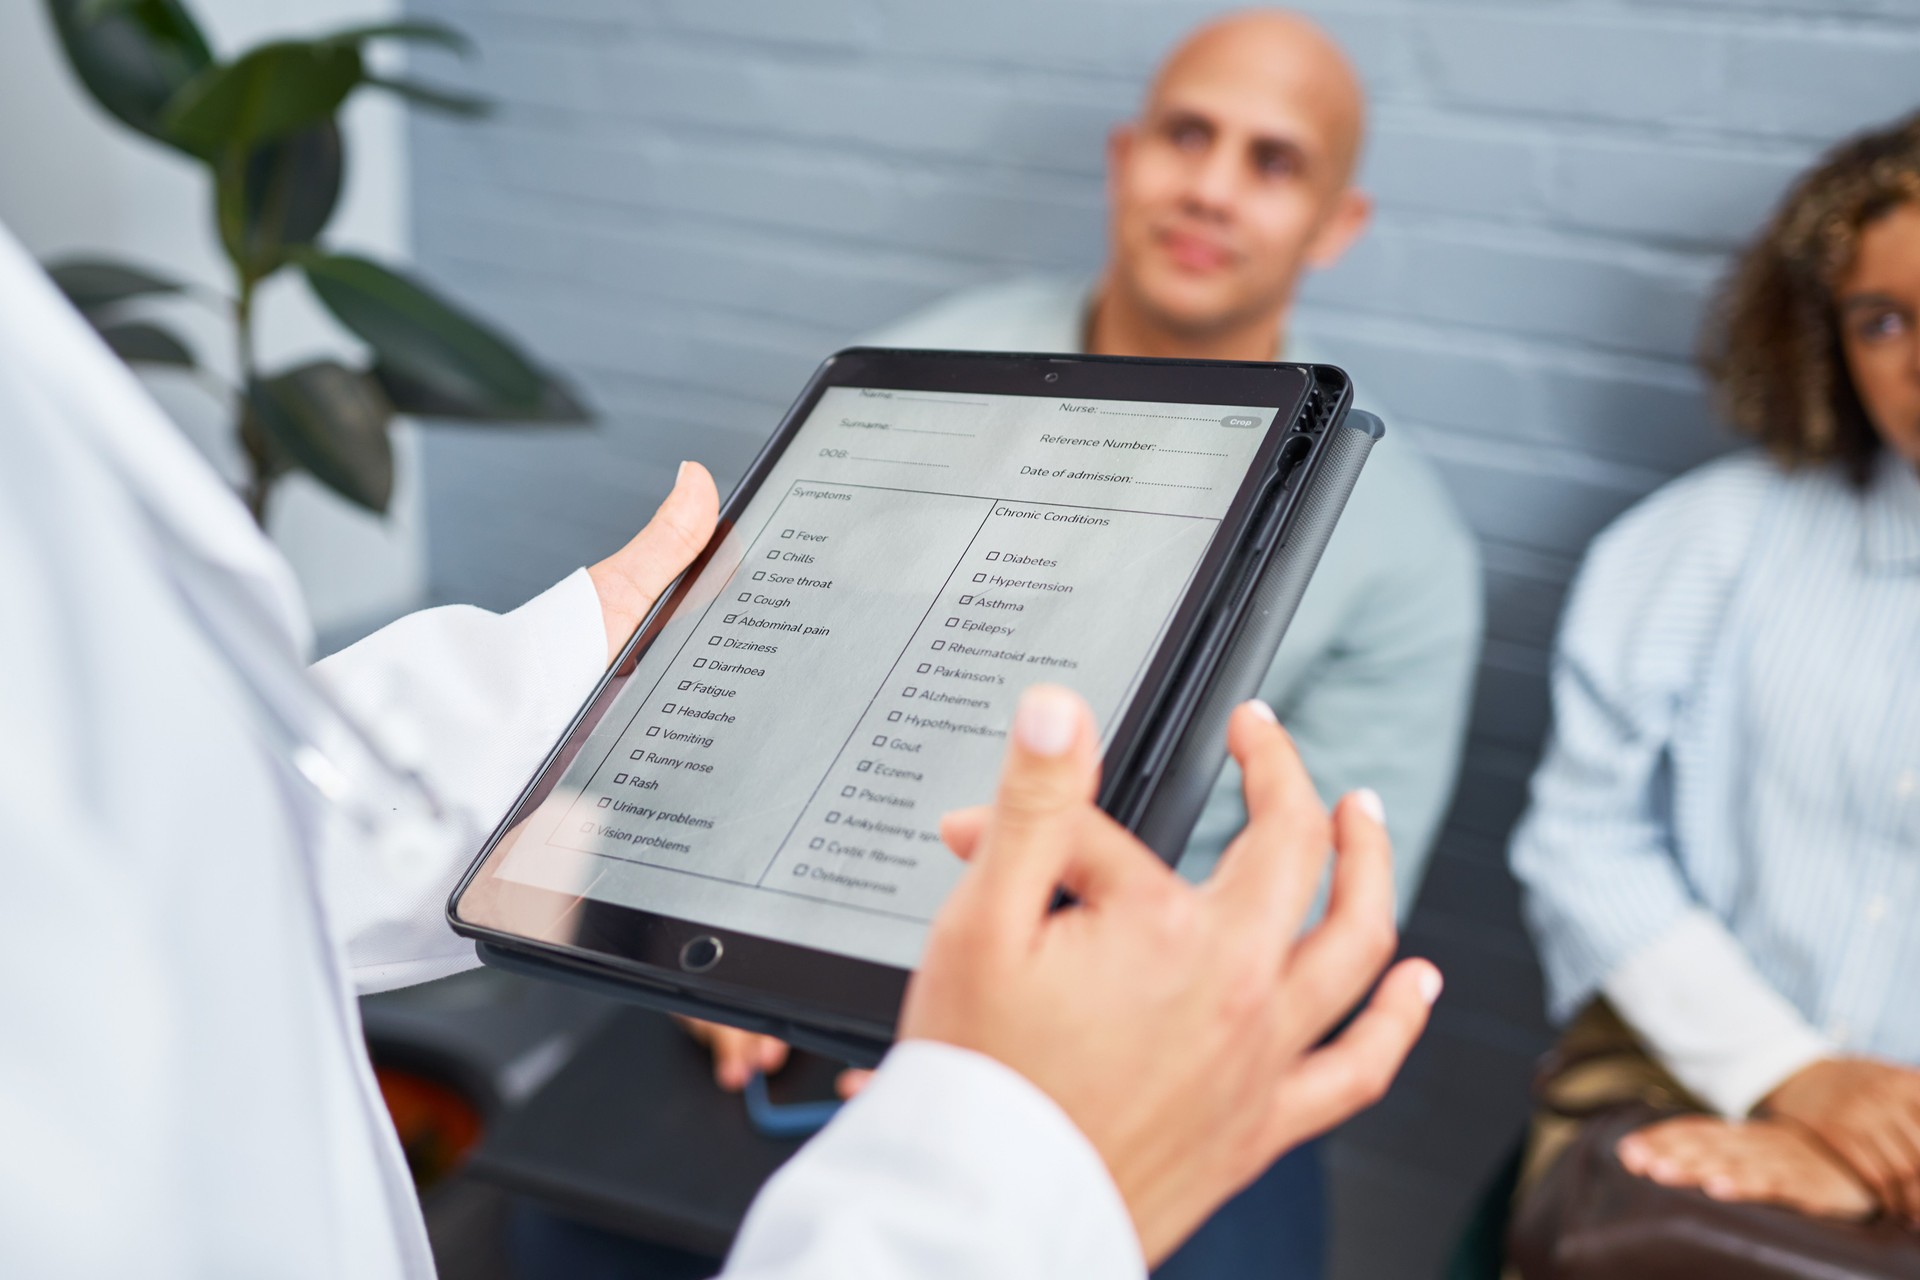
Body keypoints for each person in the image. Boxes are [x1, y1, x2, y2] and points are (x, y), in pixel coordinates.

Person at [0, 209, 1440, 1280]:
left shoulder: (1407, 545)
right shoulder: (965, 347)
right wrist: (1019, 1173)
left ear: (1338, 219)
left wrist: (576, 670)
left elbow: (116, 838)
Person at [690, 12, 1482, 1278]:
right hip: (818, 968)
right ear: (1125, 158)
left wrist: (1034, 1044)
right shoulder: (924, 374)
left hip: (1139, 1031)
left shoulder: (1404, 547)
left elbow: (1313, 901)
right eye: (1187, 134)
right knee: (575, 1211)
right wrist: (718, 938)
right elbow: (752, 695)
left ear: (1338, 224)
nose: (1212, 186)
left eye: (1273, 162)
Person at [1508, 111, 1920, 1228]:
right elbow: (1582, 841)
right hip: (1696, 1114)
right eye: (1884, 321)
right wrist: (1794, 1073)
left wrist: (1876, 1170)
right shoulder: (1699, 546)